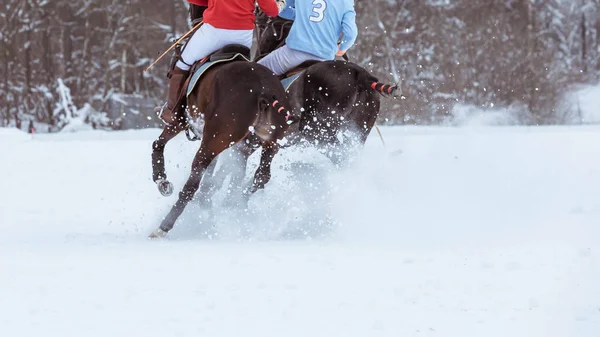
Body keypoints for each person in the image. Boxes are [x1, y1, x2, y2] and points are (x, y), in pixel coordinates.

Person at [159, 0, 287, 125]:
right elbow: (271, 10)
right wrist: (281, 5)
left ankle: (172, 112)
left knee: (182, 63)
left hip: (214, 31)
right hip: (242, 35)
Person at [257, 0, 358, 76]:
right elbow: (351, 33)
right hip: (324, 59)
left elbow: (281, 9)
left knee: (256, 72)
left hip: (294, 54)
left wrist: (302, 16)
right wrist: (342, 48)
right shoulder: (346, 2)